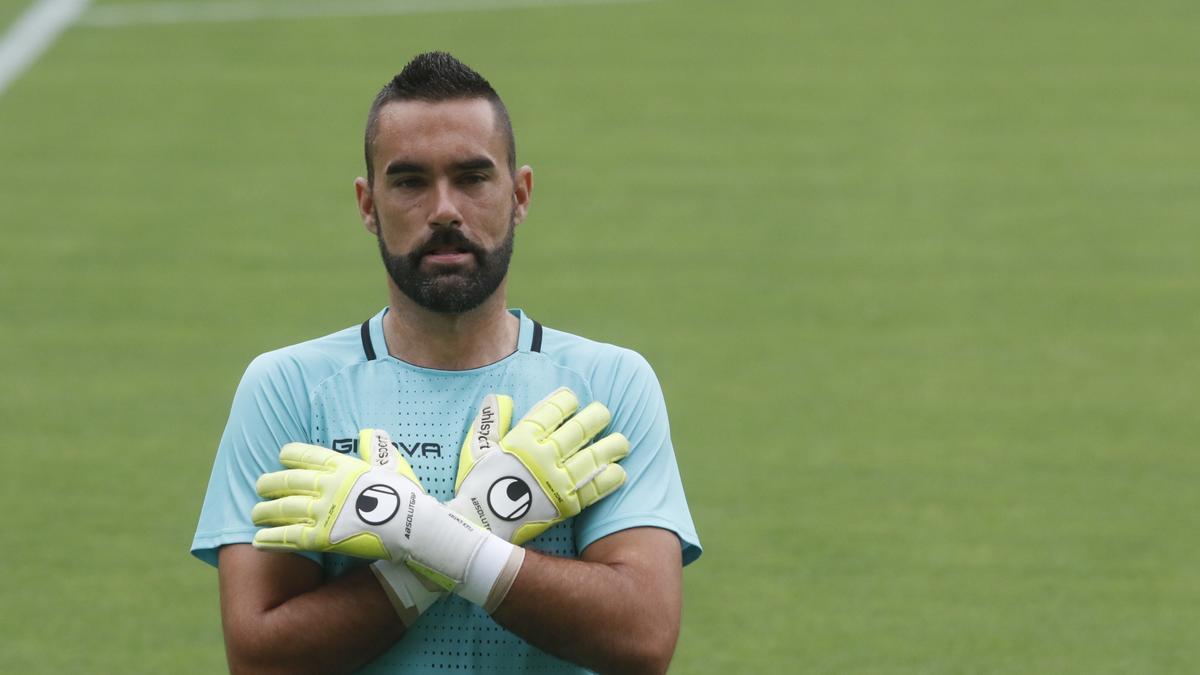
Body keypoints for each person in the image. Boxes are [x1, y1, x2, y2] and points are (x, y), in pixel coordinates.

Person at [191, 51, 701, 674]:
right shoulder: (291, 390)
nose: (444, 210)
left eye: (472, 178)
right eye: (409, 182)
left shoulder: (607, 385)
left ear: (520, 195)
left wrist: (429, 536)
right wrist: (477, 528)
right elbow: (260, 660)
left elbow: (643, 639)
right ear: (367, 205)